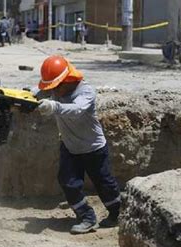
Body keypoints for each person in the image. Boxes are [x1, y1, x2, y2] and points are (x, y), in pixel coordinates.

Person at [36, 55, 121, 234]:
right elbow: (38, 95)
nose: (55, 92)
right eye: (52, 88)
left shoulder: (86, 91)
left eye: (56, 86)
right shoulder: (56, 91)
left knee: (105, 184)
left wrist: (55, 107)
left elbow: (77, 110)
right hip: (70, 147)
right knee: (68, 182)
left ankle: (117, 214)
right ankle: (86, 217)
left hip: (93, 148)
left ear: (67, 79)